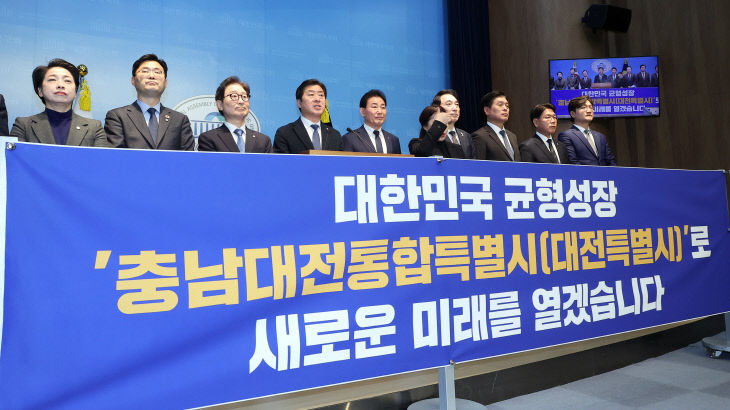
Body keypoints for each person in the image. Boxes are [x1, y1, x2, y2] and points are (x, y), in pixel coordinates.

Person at [104, 53, 194, 150]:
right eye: (145, 71)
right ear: (133, 80)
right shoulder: (118, 116)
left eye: (157, 72)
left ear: (165, 83)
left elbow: (188, 157)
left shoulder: (180, 120)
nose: (151, 76)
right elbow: (115, 156)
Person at [10, 58, 106, 146]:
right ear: (40, 91)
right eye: (52, 79)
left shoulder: (94, 128)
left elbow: (101, 158)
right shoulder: (23, 126)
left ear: (75, 92)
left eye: (67, 81)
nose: (60, 85)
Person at [198, 76, 272, 153]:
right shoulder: (209, 139)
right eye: (234, 96)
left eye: (244, 96)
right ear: (220, 105)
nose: (241, 101)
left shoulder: (263, 141)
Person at [273, 79, 343, 153]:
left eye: (321, 95)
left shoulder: (335, 135)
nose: (317, 99)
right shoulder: (285, 133)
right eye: (311, 94)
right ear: (299, 103)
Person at [557, 95, 616, 166]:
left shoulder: (601, 137)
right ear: (573, 114)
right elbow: (572, 162)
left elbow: (611, 161)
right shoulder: (566, 136)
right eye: (583, 107)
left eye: (591, 107)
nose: (589, 111)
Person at [342, 89, 400, 154]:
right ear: (363, 112)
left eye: (383, 107)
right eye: (374, 107)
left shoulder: (393, 140)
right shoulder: (351, 138)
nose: (380, 111)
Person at [471, 91, 520, 162]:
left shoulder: (512, 136)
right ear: (487, 110)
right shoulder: (480, 136)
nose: (505, 108)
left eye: (507, 106)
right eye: (500, 105)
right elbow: (479, 166)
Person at [431, 89, 473, 158]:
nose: (455, 108)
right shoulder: (433, 135)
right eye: (449, 104)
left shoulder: (466, 136)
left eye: (457, 104)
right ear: (437, 109)